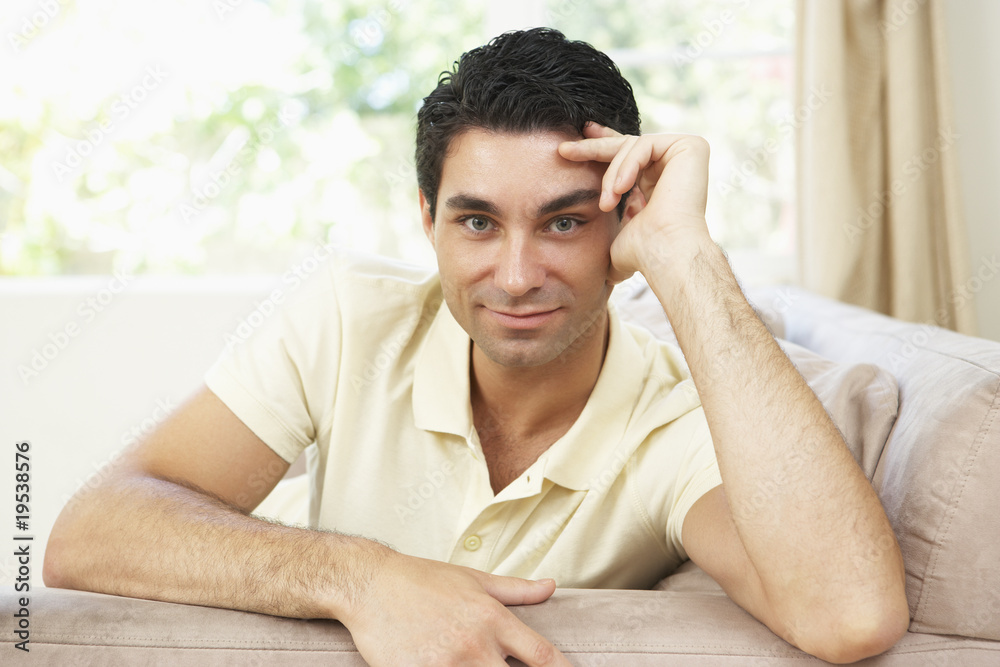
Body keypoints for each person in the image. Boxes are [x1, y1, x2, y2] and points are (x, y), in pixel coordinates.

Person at [44, 28, 908, 665]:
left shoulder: (673, 419)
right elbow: (88, 533)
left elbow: (849, 615)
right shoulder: (347, 318)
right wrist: (365, 578)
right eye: (477, 222)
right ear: (427, 221)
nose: (518, 273)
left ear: (625, 221)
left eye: (564, 221)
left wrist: (686, 253)